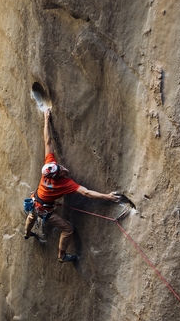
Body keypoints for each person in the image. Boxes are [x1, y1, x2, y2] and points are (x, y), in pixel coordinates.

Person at [25, 108, 121, 262]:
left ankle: (27, 232)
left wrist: (46, 119)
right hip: (45, 210)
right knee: (68, 229)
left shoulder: (49, 166)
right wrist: (108, 197)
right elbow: (87, 193)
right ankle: (61, 256)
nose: (63, 169)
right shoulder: (64, 184)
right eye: (61, 171)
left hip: (35, 201)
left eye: (60, 166)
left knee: (31, 213)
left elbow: (47, 141)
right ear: (57, 176)